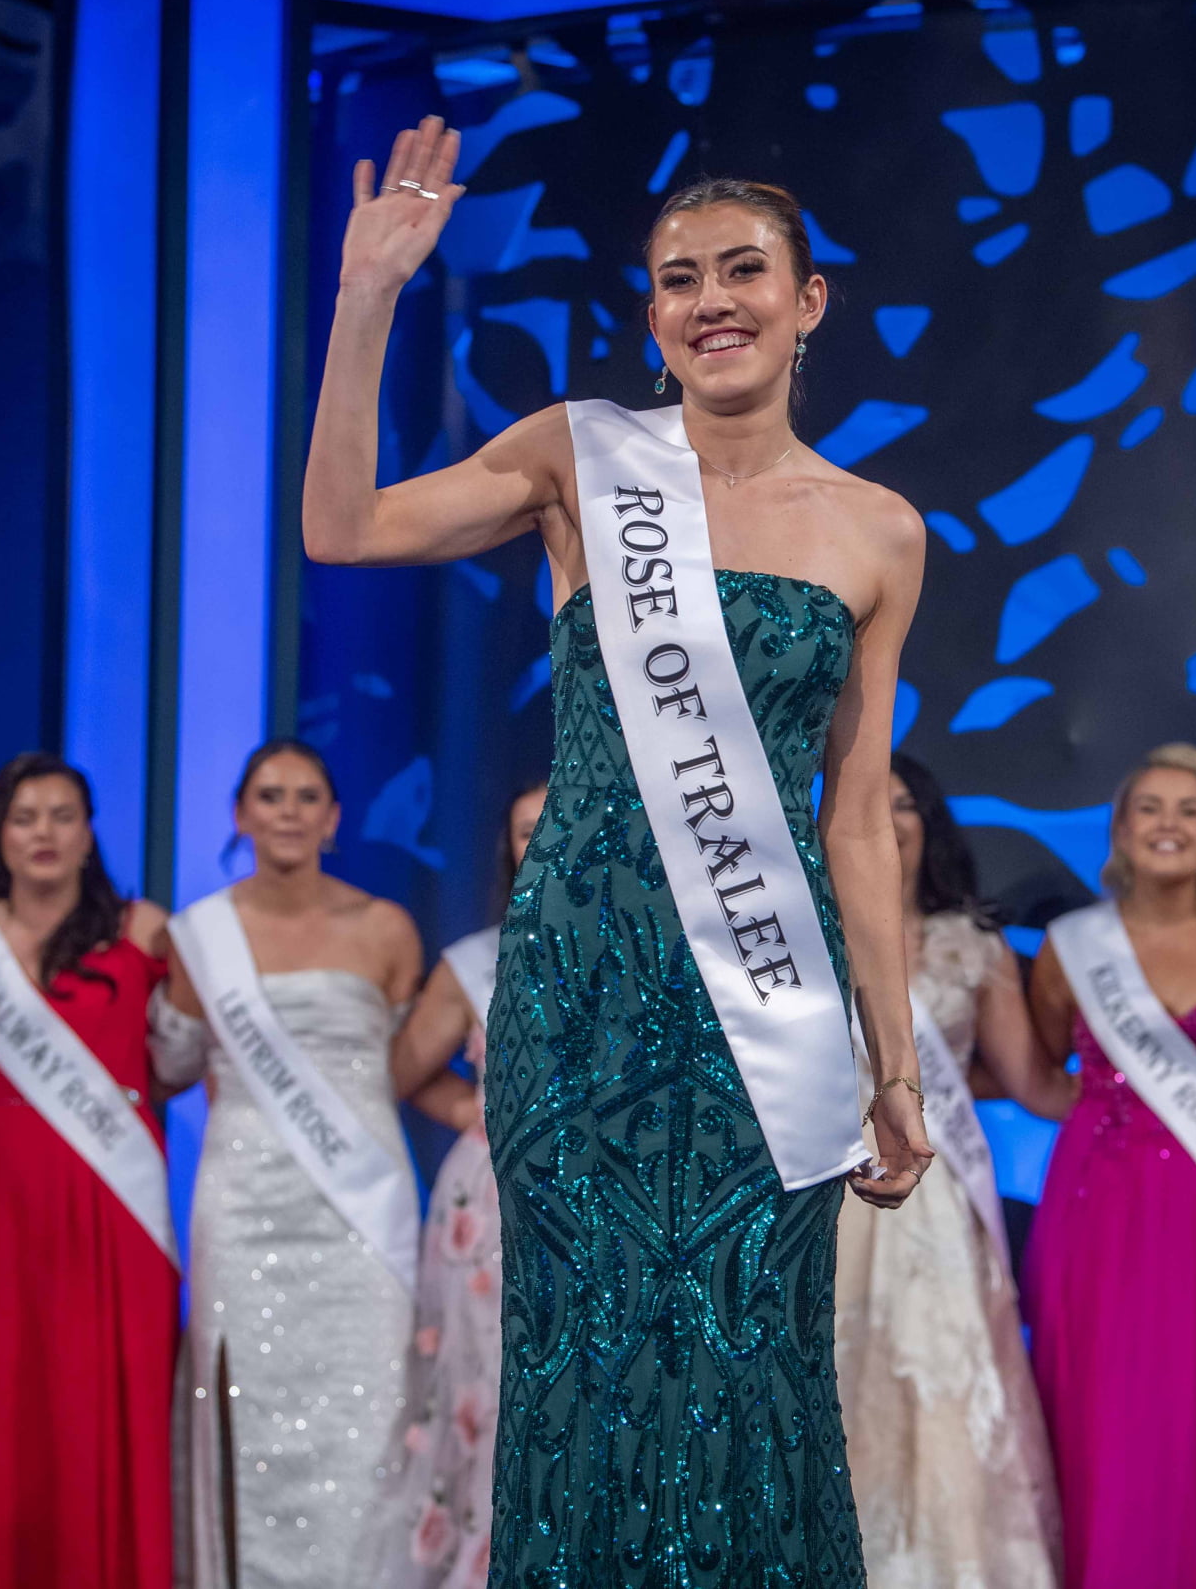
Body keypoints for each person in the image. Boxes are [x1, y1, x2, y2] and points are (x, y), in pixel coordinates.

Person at [301, 116, 931, 1583]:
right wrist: (368, 295)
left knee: (743, 1367)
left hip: (764, 1016)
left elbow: (854, 818)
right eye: (678, 278)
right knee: (585, 1367)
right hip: (581, 994)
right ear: (650, 314)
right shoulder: (582, 458)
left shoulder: (880, 530)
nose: (712, 299)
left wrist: (892, 1067)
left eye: (743, 271)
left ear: (808, 297)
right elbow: (341, 528)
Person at [1024, 743, 1196, 1589]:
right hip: (1102, 1202)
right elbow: (1043, 1069)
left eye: (1190, 809)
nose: (1168, 825)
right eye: (1149, 807)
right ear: (1118, 829)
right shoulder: (1069, 946)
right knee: (1112, 1409)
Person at [157, 739, 427, 1588]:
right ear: (240, 814)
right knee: (250, 1419)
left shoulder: (387, 927)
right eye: (269, 795)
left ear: (334, 817)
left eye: (307, 795)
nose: (288, 810)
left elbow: (413, 1063)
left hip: (362, 1211)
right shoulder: (197, 934)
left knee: (368, 1417)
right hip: (243, 1201)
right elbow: (168, 1065)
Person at [0, 755, 176, 1589]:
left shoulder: (143, 929)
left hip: (113, 1202)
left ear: (89, 832)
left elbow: (180, 1059)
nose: (44, 832)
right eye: (25, 816)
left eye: (63, 815)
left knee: (97, 1405)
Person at [835, 752, 1073, 1586]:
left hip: (936, 1204)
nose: (891, 818)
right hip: (829, 1201)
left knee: (937, 1386)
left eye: (906, 804)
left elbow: (1033, 1083)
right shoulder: (797, 941)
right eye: (871, 802)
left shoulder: (971, 947)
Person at [388, 779, 547, 1589]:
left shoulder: (648, 948)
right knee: (489, 1389)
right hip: (491, 1206)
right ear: (507, 849)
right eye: (527, 829)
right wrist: (476, 1115)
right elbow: (403, 1071)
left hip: (605, 1203)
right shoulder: (476, 960)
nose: (545, 837)